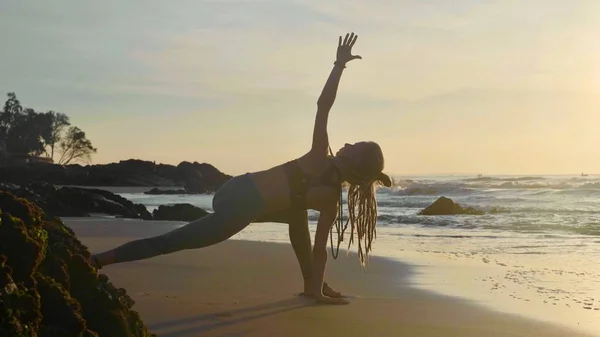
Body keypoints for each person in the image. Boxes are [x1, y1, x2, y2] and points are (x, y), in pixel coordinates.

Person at [89, 32, 392, 305]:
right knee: (172, 242)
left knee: (297, 215)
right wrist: (339, 66)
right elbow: (319, 249)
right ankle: (97, 260)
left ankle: (314, 285)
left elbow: (322, 106)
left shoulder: (319, 158)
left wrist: (339, 65)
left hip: (238, 187)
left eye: (355, 145)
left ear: (354, 161)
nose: (348, 143)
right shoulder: (329, 194)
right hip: (241, 205)